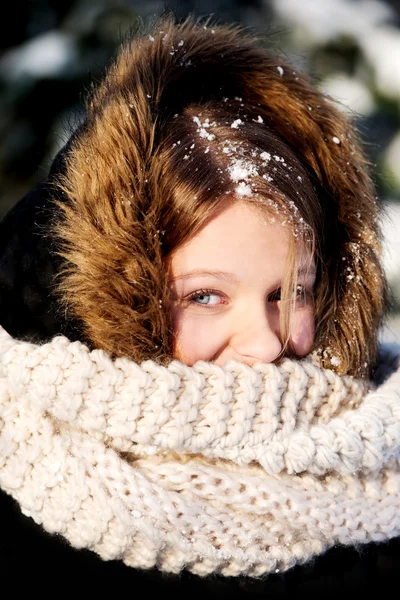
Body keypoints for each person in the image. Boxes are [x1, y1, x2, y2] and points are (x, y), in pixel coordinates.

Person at [0, 15, 399, 595]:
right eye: (205, 296)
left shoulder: (381, 465)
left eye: (292, 292)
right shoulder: (22, 477)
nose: (265, 343)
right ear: (115, 298)